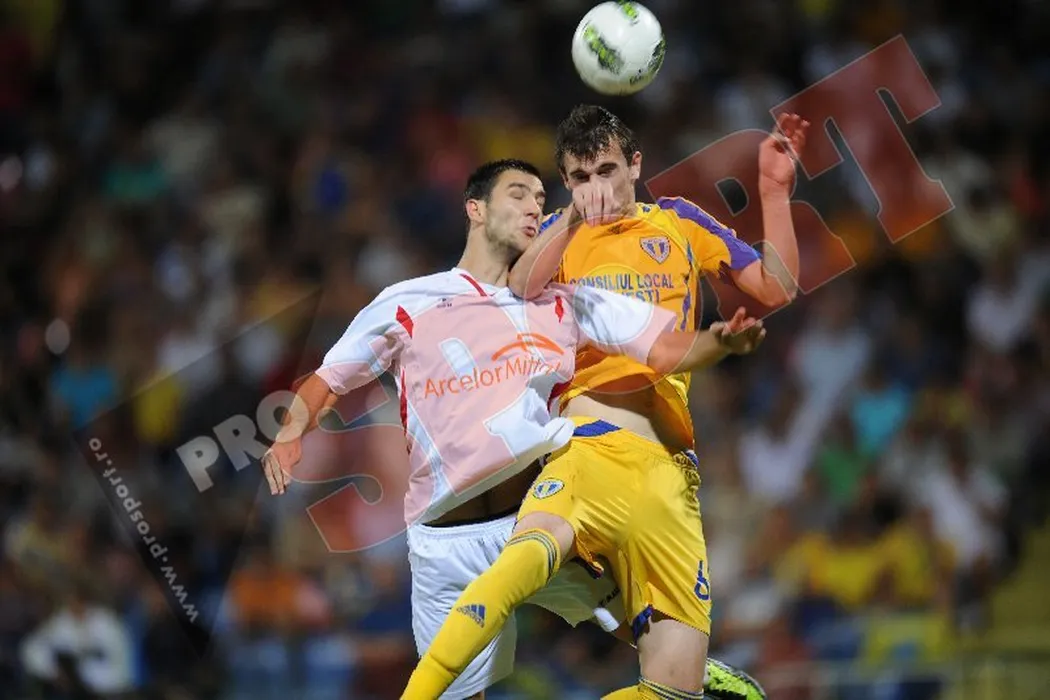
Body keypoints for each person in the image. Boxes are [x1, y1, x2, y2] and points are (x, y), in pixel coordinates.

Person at [262, 158, 766, 700]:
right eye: (519, 194)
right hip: (442, 540)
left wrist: (720, 341)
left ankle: (690, 670)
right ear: (475, 209)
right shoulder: (409, 301)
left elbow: (665, 345)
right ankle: (692, 672)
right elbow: (328, 380)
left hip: (534, 514)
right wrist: (290, 434)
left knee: (650, 627)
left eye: (540, 199)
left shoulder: (564, 302)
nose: (534, 207)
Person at [402, 109, 807, 699]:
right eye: (580, 176)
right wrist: (571, 218)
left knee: (674, 691)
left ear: (636, 165)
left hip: (671, 473)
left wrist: (773, 191)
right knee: (514, 574)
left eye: (608, 170)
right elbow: (521, 286)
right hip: (588, 452)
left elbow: (777, 286)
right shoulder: (562, 236)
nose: (596, 188)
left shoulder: (678, 222)